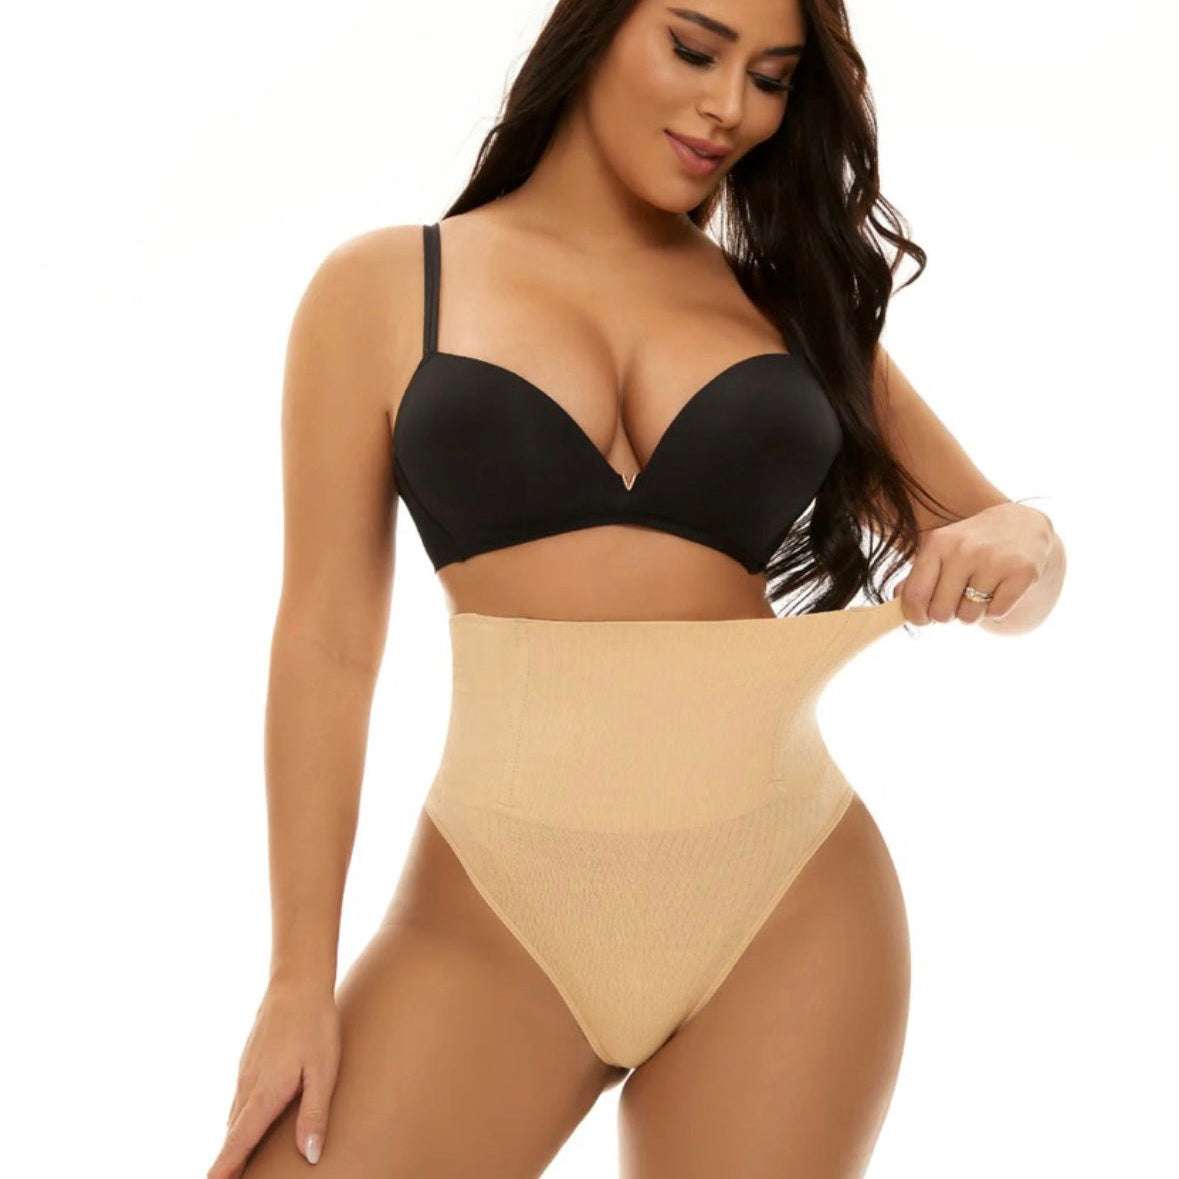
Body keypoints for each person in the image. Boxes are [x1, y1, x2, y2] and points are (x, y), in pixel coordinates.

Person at [208, 1, 1065, 1175]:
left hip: (788, 906)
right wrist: (296, 982)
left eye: (772, 78)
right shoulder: (381, 289)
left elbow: (999, 559)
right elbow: (327, 643)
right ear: (598, 28)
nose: (730, 108)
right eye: (695, 49)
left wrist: (1033, 544)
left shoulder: (793, 312)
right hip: (492, 921)